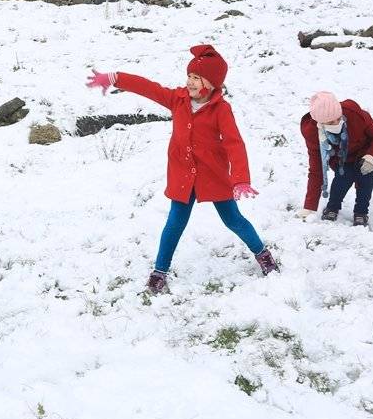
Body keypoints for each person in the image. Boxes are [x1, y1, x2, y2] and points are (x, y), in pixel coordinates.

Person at [86, 45, 279, 294]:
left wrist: (240, 178)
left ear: (210, 84)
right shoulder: (177, 99)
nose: (189, 82)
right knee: (175, 222)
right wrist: (115, 78)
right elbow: (149, 87)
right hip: (183, 174)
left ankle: (262, 254)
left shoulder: (221, 109)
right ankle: (159, 271)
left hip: (212, 174)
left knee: (233, 220)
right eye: (189, 76)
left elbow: (234, 143)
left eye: (196, 78)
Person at [298, 91, 373, 226]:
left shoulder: (354, 114)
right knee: (342, 180)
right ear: (320, 122)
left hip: (365, 154)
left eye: (338, 118)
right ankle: (332, 207)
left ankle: (361, 212)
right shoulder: (313, 133)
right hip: (341, 160)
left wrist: (372, 156)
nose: (336, 122)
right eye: (330, 122)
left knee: (365, 181)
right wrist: (309, 206)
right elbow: (317, 170)